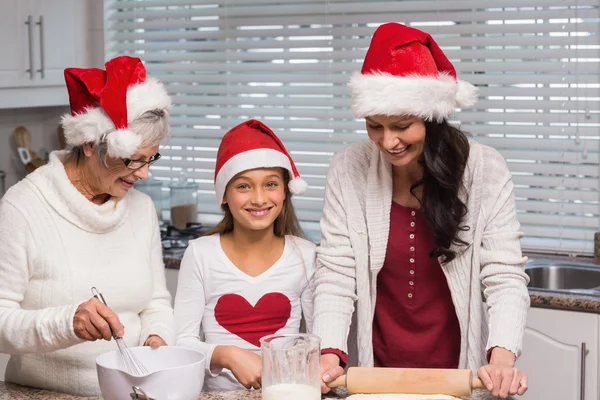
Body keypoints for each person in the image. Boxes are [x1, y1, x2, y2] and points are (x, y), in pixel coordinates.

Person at [313, 23, 530, 399]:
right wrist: (329, 352)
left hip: (456, 380)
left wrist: (502, 358)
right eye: (373, 126)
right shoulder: (348, 168)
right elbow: (335, 271)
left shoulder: (484, 170)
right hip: (375, 378)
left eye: (401, 126)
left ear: (432, 118)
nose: (388, 141)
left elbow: (504, 275)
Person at [0, 56, 174, 396]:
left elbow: (155, 302)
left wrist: (158, 338)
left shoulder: (142, 208)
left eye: (150, 158)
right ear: (91, 144)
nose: (144, 174)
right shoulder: (23, 207)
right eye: (133, 159)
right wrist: (68, 323)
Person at [174, 119, 316, 392]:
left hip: (285, 393)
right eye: (243, 186)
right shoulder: (201, 253)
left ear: (286, 191)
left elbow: (316, 344)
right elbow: (180, 343)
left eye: (271, 184)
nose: (259, 199)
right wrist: (228, 354)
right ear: (224, 194)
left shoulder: (305, 255)